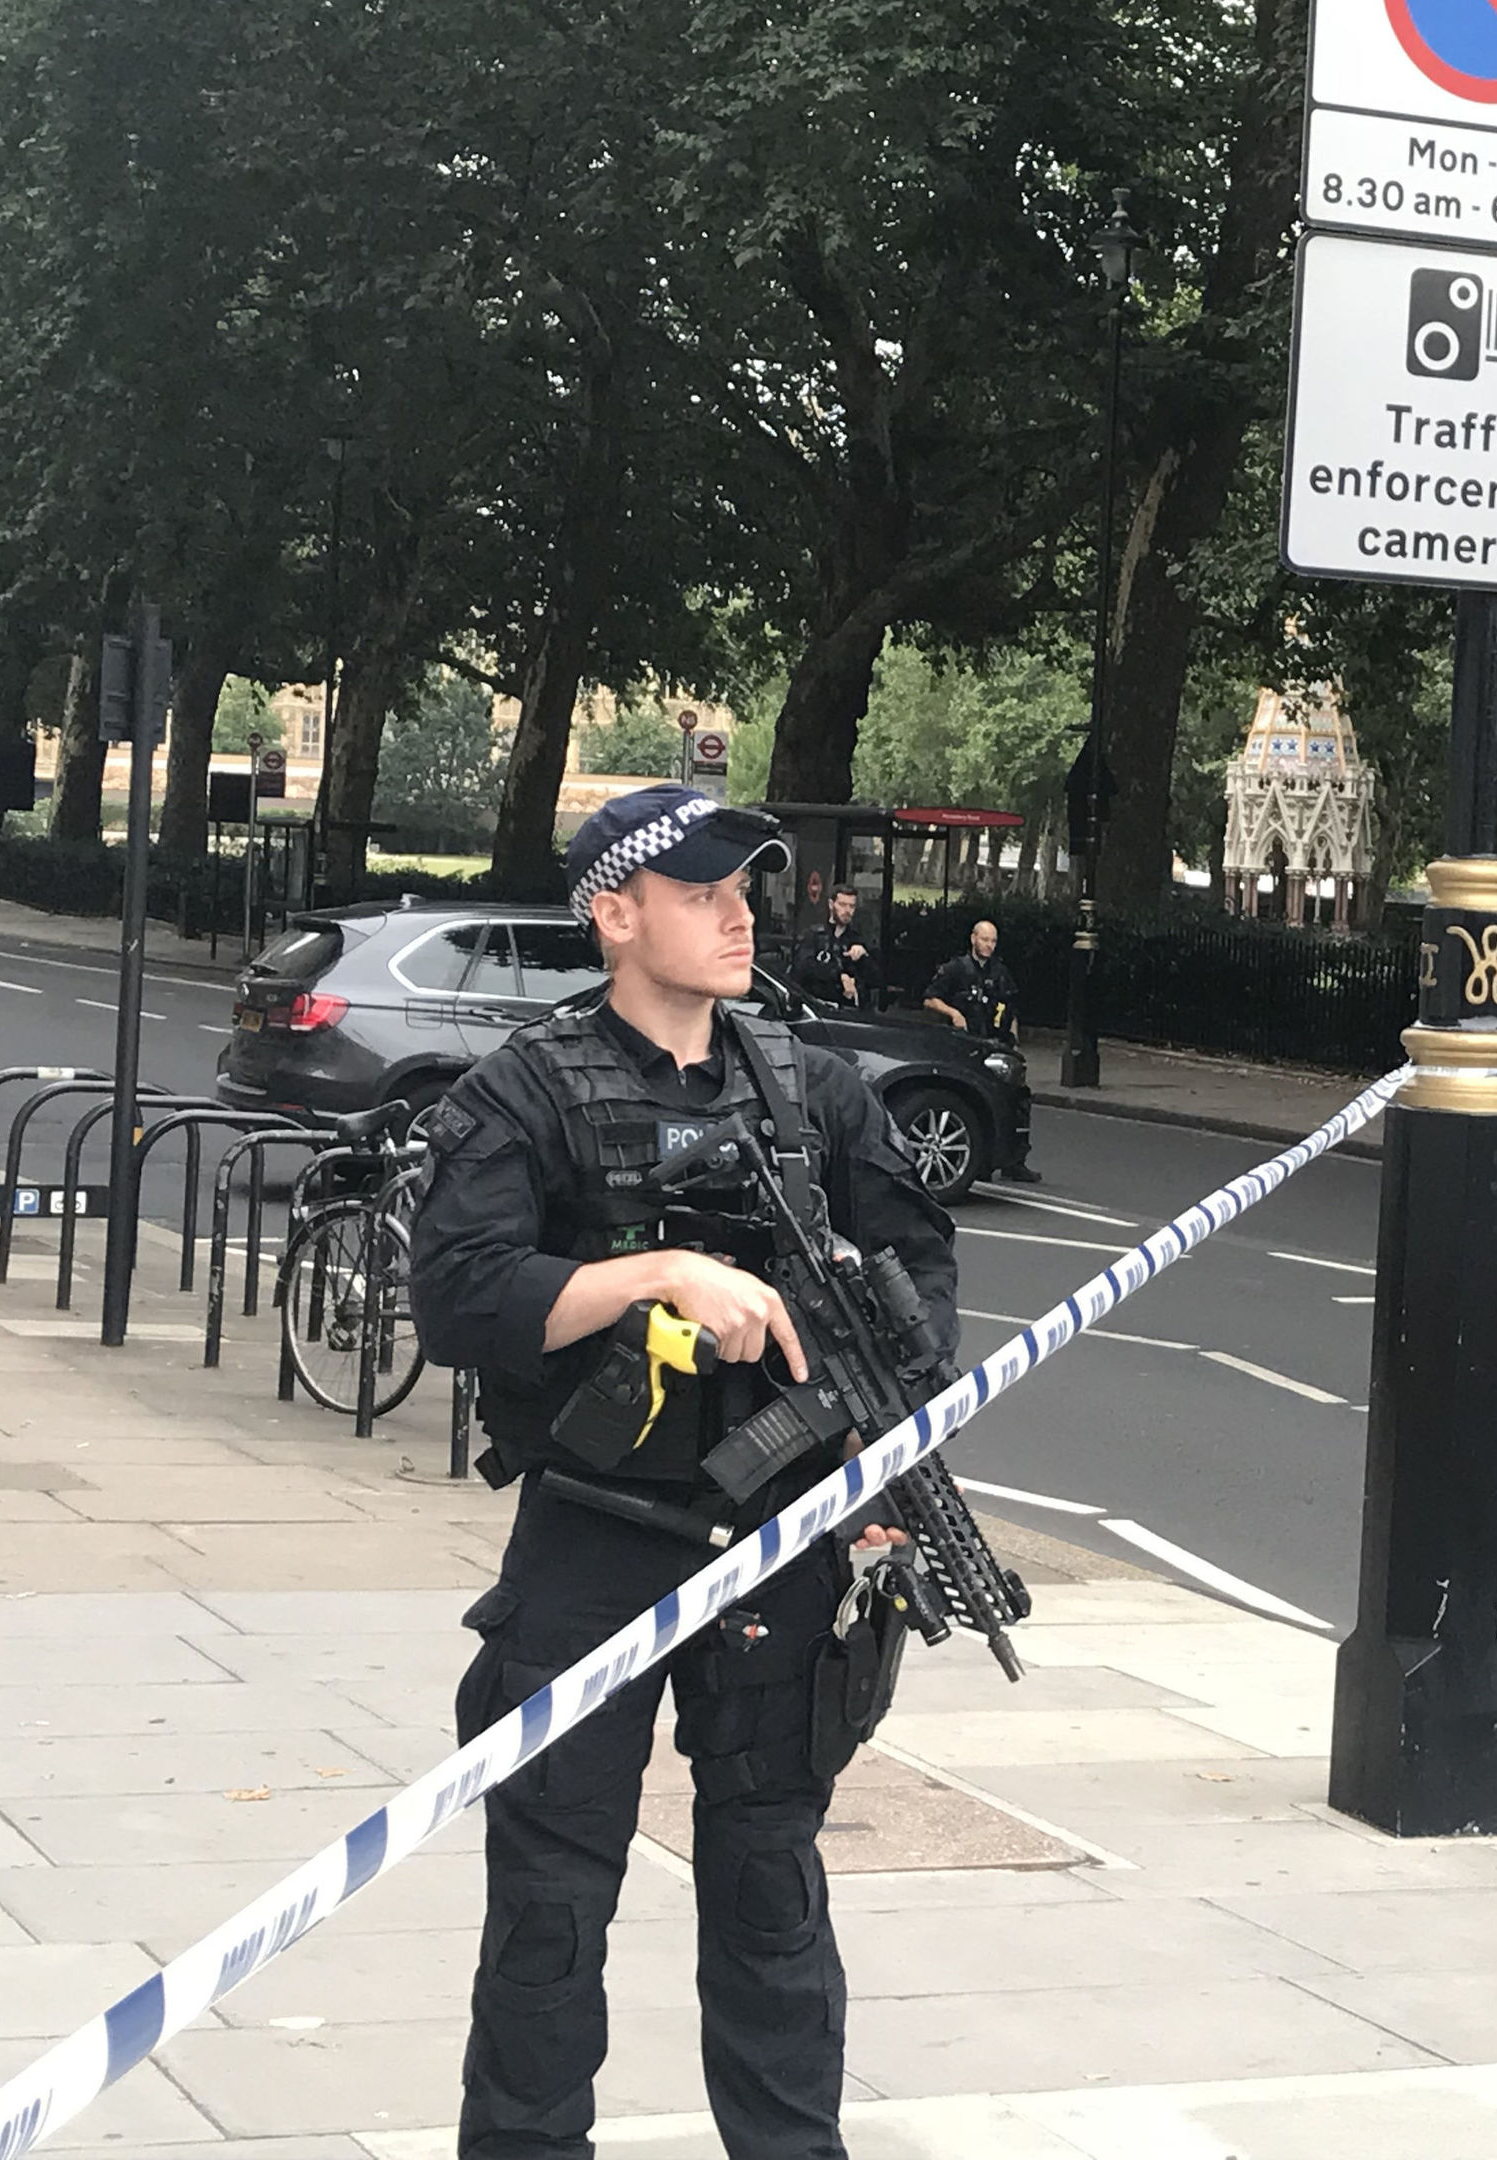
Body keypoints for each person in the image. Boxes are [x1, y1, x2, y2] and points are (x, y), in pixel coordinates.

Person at [410, 785, 958, 2160]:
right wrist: (651, 1274)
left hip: (783, 1539)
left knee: (771, 1886)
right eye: (703, 892)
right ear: (617, 912)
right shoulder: (523, 1091)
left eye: (745, 892)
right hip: (599, 1541)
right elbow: (461, 1301)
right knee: (551, 1902)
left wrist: (867, 1427)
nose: (738, 915)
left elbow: (920, 1276)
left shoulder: (810, 1087)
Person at [921, 919, 1019, 1043]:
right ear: (973, 939)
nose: (989, 945)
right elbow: (929, 1000)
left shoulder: (1001, 972)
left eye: (993, 941)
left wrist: (1014, 1040)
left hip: (994, 1041)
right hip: (960, 1040)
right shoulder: (955, 968)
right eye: (985, 939)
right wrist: (954, 1014)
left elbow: (1011, 1010)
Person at [794, 883, 879, 1008]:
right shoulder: (814, 935)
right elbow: (803, 968)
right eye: (842, 905)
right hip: (817, 1007)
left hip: (848, 1009)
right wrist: (839, 976)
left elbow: (876, 979)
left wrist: (864, 957)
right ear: (831, 904)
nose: (847, 911)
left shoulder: (858, 939)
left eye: (851, 906)